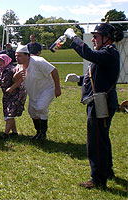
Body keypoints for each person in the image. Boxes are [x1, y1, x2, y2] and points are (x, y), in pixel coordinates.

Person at [64, 23, 123, 189]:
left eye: (96, 36)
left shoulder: (109, 53)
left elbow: (87, 53)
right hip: (99, 101)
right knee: (102, 138)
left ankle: (98, 179)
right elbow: (97, 75)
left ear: (106, 38)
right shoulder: (105, 53)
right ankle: (107, 170)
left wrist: (73, 38)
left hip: (101, 103)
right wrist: (80, 79)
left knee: (96, 141)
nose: (93, 39)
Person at [14, 45, 61, 140]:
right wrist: (16, 75)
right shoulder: (19, 66)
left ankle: (43, 133)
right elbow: (15, 80)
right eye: (16, 56)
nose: (16, 58)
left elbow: (54, 71)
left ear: (27, 55)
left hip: (47, 89)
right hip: (33, 92)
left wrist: (57, 88)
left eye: (19, 56)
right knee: (32, 112)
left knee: (40, 107)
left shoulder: (38, 61)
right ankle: (38, 132)